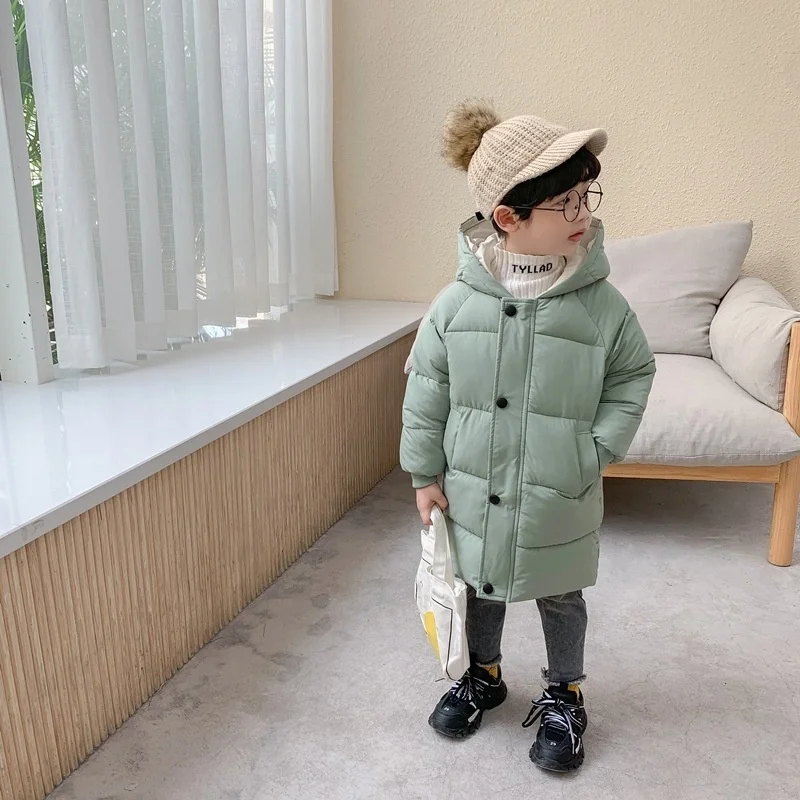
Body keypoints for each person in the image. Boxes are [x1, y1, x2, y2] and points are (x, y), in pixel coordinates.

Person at [400, 100, 655, 772]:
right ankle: (482, 674)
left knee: (560, 593)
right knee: (480, 586)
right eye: (565, 202)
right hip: (473, 487)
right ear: (508, 217)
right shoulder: (457, 305)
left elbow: (633, 372)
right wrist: (424, 474)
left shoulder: (601, 305)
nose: (583, 214)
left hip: (558, 485)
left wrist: (598, 448)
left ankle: (566, 693)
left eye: (586, 196)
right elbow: (427, 388)